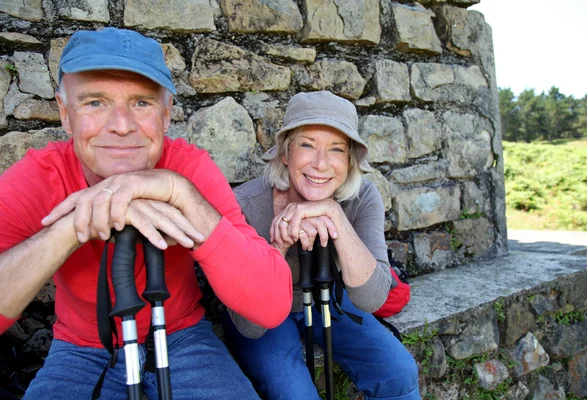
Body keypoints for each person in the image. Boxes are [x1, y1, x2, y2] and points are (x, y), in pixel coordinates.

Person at [0, 27, 292, 399]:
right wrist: (71, 227)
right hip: (82, 348)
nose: (121, 125)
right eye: (95, 102)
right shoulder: (39, 177)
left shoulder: (188, 169)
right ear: (65, 113)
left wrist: (180, 193)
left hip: (181, 337)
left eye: (141, 103)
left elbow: (270, 305)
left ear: (166, 114)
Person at [223, 91, 420, 400]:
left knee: (398, 372)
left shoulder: (362, 197)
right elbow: (249, 326)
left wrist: (335, 217)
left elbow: (373, 298)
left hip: (331, 297)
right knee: (294, 394)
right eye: (307, 145)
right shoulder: (244, 205)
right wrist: (276, 249)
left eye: (336, 149)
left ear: (350, 160)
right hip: (267, 314)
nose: (320, 164)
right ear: (285, 153)